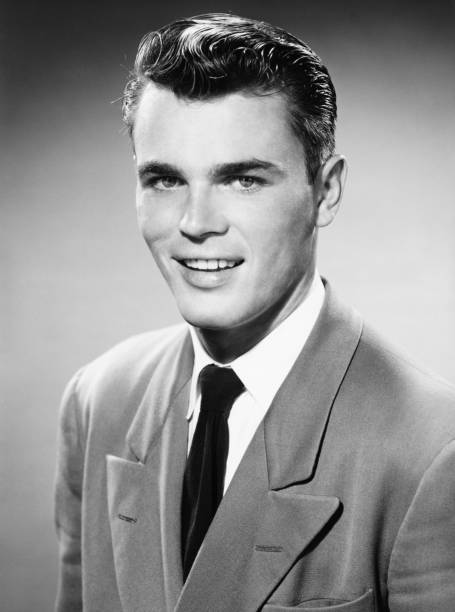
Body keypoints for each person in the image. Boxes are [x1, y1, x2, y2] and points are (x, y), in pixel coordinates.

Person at [54, 12, 455, 612]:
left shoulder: (433, 452)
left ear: (326, 192)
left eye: (243, 180)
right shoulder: (97, 400)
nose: (195, 223)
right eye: (164, 180)